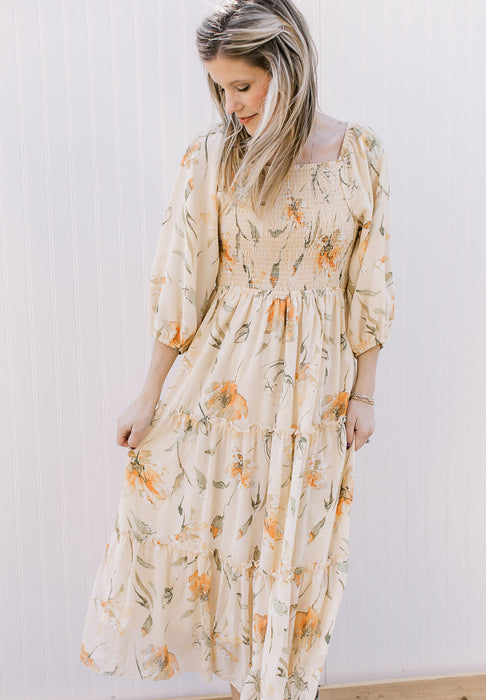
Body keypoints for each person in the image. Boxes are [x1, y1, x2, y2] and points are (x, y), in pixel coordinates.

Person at [79, 1, 395, 698]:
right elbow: (181, 286)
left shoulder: (360, 152)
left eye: (242, 86)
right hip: (223, 384)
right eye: (220, 88)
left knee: (297, 551)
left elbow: (369, 284)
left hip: (317, 388)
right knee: (226, 542)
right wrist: (150, 393)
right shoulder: (215, 155)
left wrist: (366, 394)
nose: (232, 103)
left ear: (286, 68)